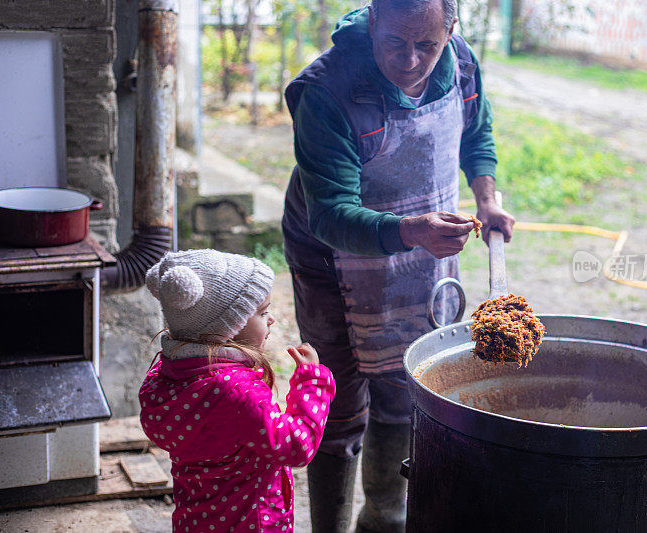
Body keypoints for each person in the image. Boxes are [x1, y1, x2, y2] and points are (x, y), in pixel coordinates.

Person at [281, 0, 516, 530]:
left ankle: (383, 521)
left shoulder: (459, 60)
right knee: (338, 399)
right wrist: (412, 232)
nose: (410, 60)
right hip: (333, 255)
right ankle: (331, 524)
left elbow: (476, 131)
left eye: (426, 45)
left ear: (450, 31)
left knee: (405, 383)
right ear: (371, 24)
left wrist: (486, 197)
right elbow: (332, 214)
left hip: (422, 243)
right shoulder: (327, 91)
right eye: (394, 42)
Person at [139, 249, 336, 532]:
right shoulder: (236, 393)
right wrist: (312, 382)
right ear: (228, 327)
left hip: (193, 522)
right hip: (253, 523)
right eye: (262, 312)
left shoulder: (165, 376)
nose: (271, 320)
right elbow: (297, 446)